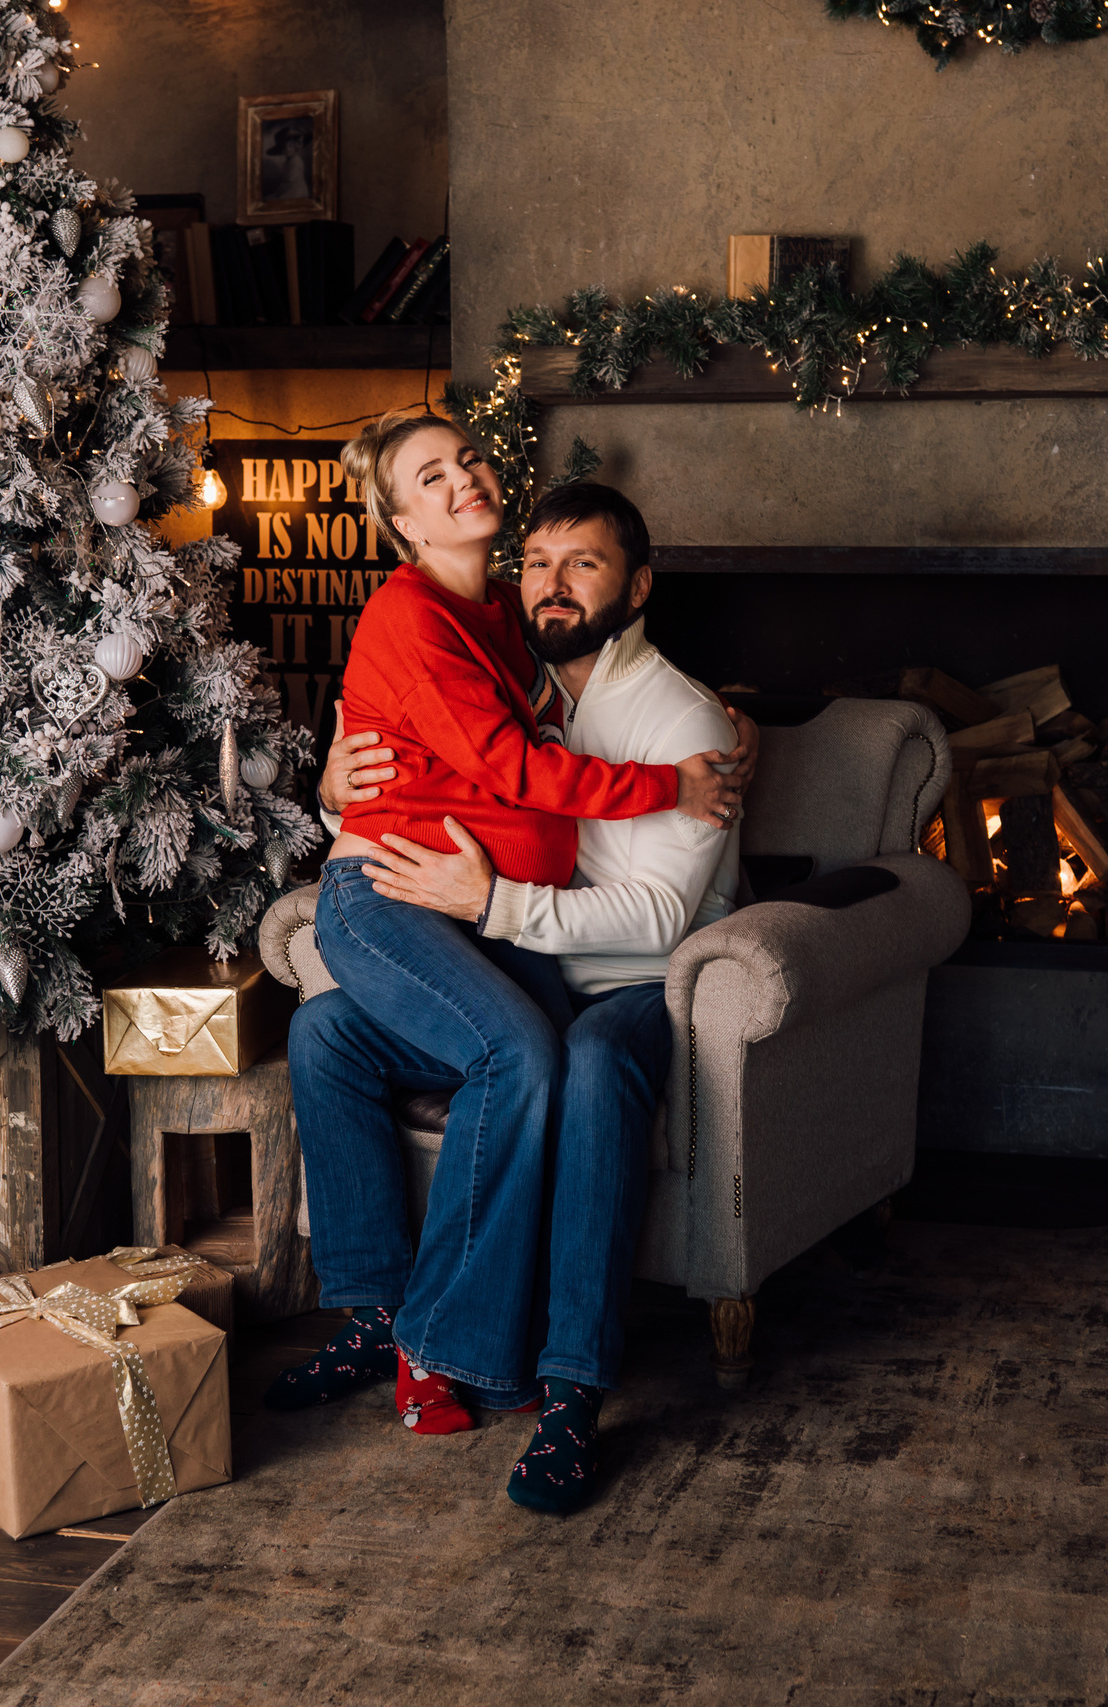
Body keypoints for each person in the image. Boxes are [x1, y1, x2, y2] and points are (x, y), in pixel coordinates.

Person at [263, 416, 744, 1493]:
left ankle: (496, 1361)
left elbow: (656, 915)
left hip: (595, 968)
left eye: (584, 565)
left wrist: (506, 898)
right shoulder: (490, 648)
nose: (553, 583)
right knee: (333, 1032)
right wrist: (336, 784)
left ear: (639, 585)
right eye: (541, 563)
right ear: (400, 525)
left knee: (534, 1061)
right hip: (442, 915)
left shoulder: (646, 701)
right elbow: (467, 758)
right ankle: (379, 1317)